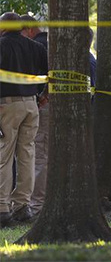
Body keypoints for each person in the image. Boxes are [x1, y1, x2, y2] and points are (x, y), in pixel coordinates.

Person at [0, 12, 48, 227]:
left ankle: (2, 208)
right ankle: (22, 206)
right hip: (31, 104)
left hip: (6, 105)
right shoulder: (36, 47)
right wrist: (42, 95)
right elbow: (49, 73)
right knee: (27, 154)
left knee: (4, 155)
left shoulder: (1, 46)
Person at [20, 15, 48, 215]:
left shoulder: (36, 47)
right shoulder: (45, 45)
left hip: (41, 106)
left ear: (29, 29)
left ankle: (35, 204)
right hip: (37, 103)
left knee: (37, 154)